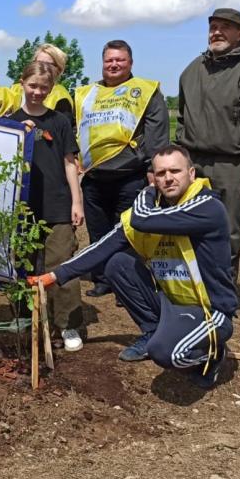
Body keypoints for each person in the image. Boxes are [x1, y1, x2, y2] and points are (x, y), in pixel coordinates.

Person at [36, 145, 236, 388]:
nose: (168, 178)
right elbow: (105, 244)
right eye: (161, 173)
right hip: (173, 302)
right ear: (154, 175)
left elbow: (141, 218)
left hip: (210, 310)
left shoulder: (205, 207)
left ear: (191, 173)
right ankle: (154, 330)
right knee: (117, 264)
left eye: (175, 171)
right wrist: (56, 274)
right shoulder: (156, 208)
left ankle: (214, 352)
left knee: (169, 354)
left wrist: (146, 193)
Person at [177, 8, 240, 279]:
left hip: (231, 165)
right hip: (193, 163)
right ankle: (189, 286)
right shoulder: (192, 70)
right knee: (187, 224)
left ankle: (222, 290)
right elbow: (181, 118)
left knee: (226, 230)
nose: (217, 32)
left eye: (225, 27)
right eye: (213, 27)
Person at [75, 40, 169, 297]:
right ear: (102, 63)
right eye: (109, 60)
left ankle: (126, 285)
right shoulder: (87, 94)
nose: (114, 64)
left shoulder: (145, 91)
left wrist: (155, 167)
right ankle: (102, 279)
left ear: (131, 63)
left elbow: (157, 133)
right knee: (98, 233)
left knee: (128, 233)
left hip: (130, 174)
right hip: (94, 176)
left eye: (120, 60)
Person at [8, 61, 85, 351]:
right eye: (32, 86)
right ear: (22, 83)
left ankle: (67, 325)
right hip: (23, 207)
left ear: (51, 88)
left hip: (57, 204)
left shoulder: (60, 122)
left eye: (44, 87)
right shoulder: (11, 121)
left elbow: (69, 163)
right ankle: (26, 317)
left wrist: (76, 202)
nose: (38, 92)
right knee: (23, 263)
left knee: (61, 264)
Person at [10, 44, 76, 127]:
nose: (42, 67)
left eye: (49, 64)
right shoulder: (15, 89)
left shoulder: (62, 97)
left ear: (59, 69)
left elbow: (61, 130)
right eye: (38, 62)